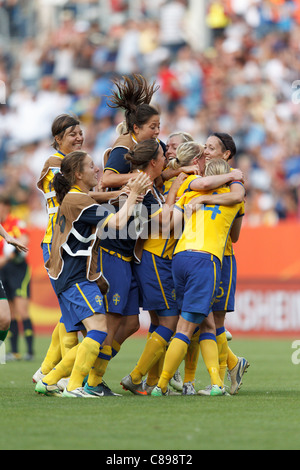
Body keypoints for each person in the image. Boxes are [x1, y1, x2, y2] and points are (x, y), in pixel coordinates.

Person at [35, 150, 150, 398]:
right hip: (74, 276)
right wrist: (131, 195)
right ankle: (74, 385)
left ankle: (50, 379)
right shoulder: (78, 201)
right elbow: (118, 224)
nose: (97, 169)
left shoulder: (78, 199)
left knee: (95, 330)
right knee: (99, 330)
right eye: (91, 166)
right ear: (78, 174)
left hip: (70, 275)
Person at [84, 139, 177, 397]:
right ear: (154, 162)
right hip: (112, 253)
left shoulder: (147, 186)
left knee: (131, 324)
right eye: (163, 155)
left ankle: (91, 372)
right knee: (112, 321)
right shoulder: (139, 187)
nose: (167, 159)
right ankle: (91, 381)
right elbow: (167, 221)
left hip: (125, 258)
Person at [151, 158, 245, 397]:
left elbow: (168, 224)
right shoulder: (232, 199)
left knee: (205, 323)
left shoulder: (189, 195)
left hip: (180, 257)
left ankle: (216, 384)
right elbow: (234, 236)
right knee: (186, 327)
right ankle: (162, 385)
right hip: (206, 259)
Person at [191, 133, 249, 396]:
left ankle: (221, 379)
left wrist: (206, 202)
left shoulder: (233, 188)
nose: (206, 151)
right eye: (205, 146)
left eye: (211, 148)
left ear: (226, 155)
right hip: (195, 256)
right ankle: (232, 365)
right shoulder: (200, 181)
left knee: (213, 319)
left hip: (220, 258)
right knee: (202, 320)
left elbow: (234, 236)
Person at [101, 74, 164, 191]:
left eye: (158, 127)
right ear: (136, 128)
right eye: (152, 127)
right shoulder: (124, 147)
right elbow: (106, 180)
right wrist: (140, 176)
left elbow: (160, 173)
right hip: (122, 204)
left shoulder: (154, 142)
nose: (157, 132)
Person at [0, 197, 33, 360]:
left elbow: (24, 241)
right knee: (9, 312)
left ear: (6, 206)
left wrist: (8, 256)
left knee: (21, 310)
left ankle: (30, 351)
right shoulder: (2, 226)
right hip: (3, 271)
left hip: (18, 270)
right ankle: (13, 351)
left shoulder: (16, 222)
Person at [0, 222, 28, 352]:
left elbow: (25, 237)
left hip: (12, 270)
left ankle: (25, 351)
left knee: (5, 319)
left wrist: (7, 236)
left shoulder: (15, 221)